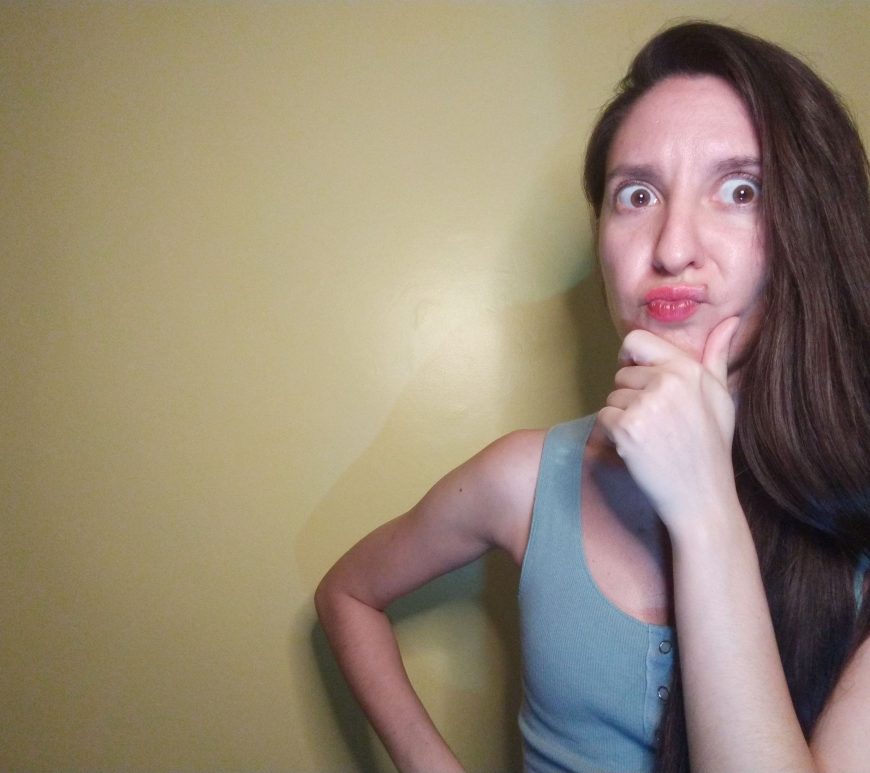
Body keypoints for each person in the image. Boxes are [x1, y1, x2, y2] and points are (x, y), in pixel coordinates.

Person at [315, 21, 870, 773]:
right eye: (636, 195)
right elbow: (347, 594)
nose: (672, 248)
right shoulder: (526, 478)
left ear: (816, 229)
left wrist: (705, 511)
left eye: (741, 190)